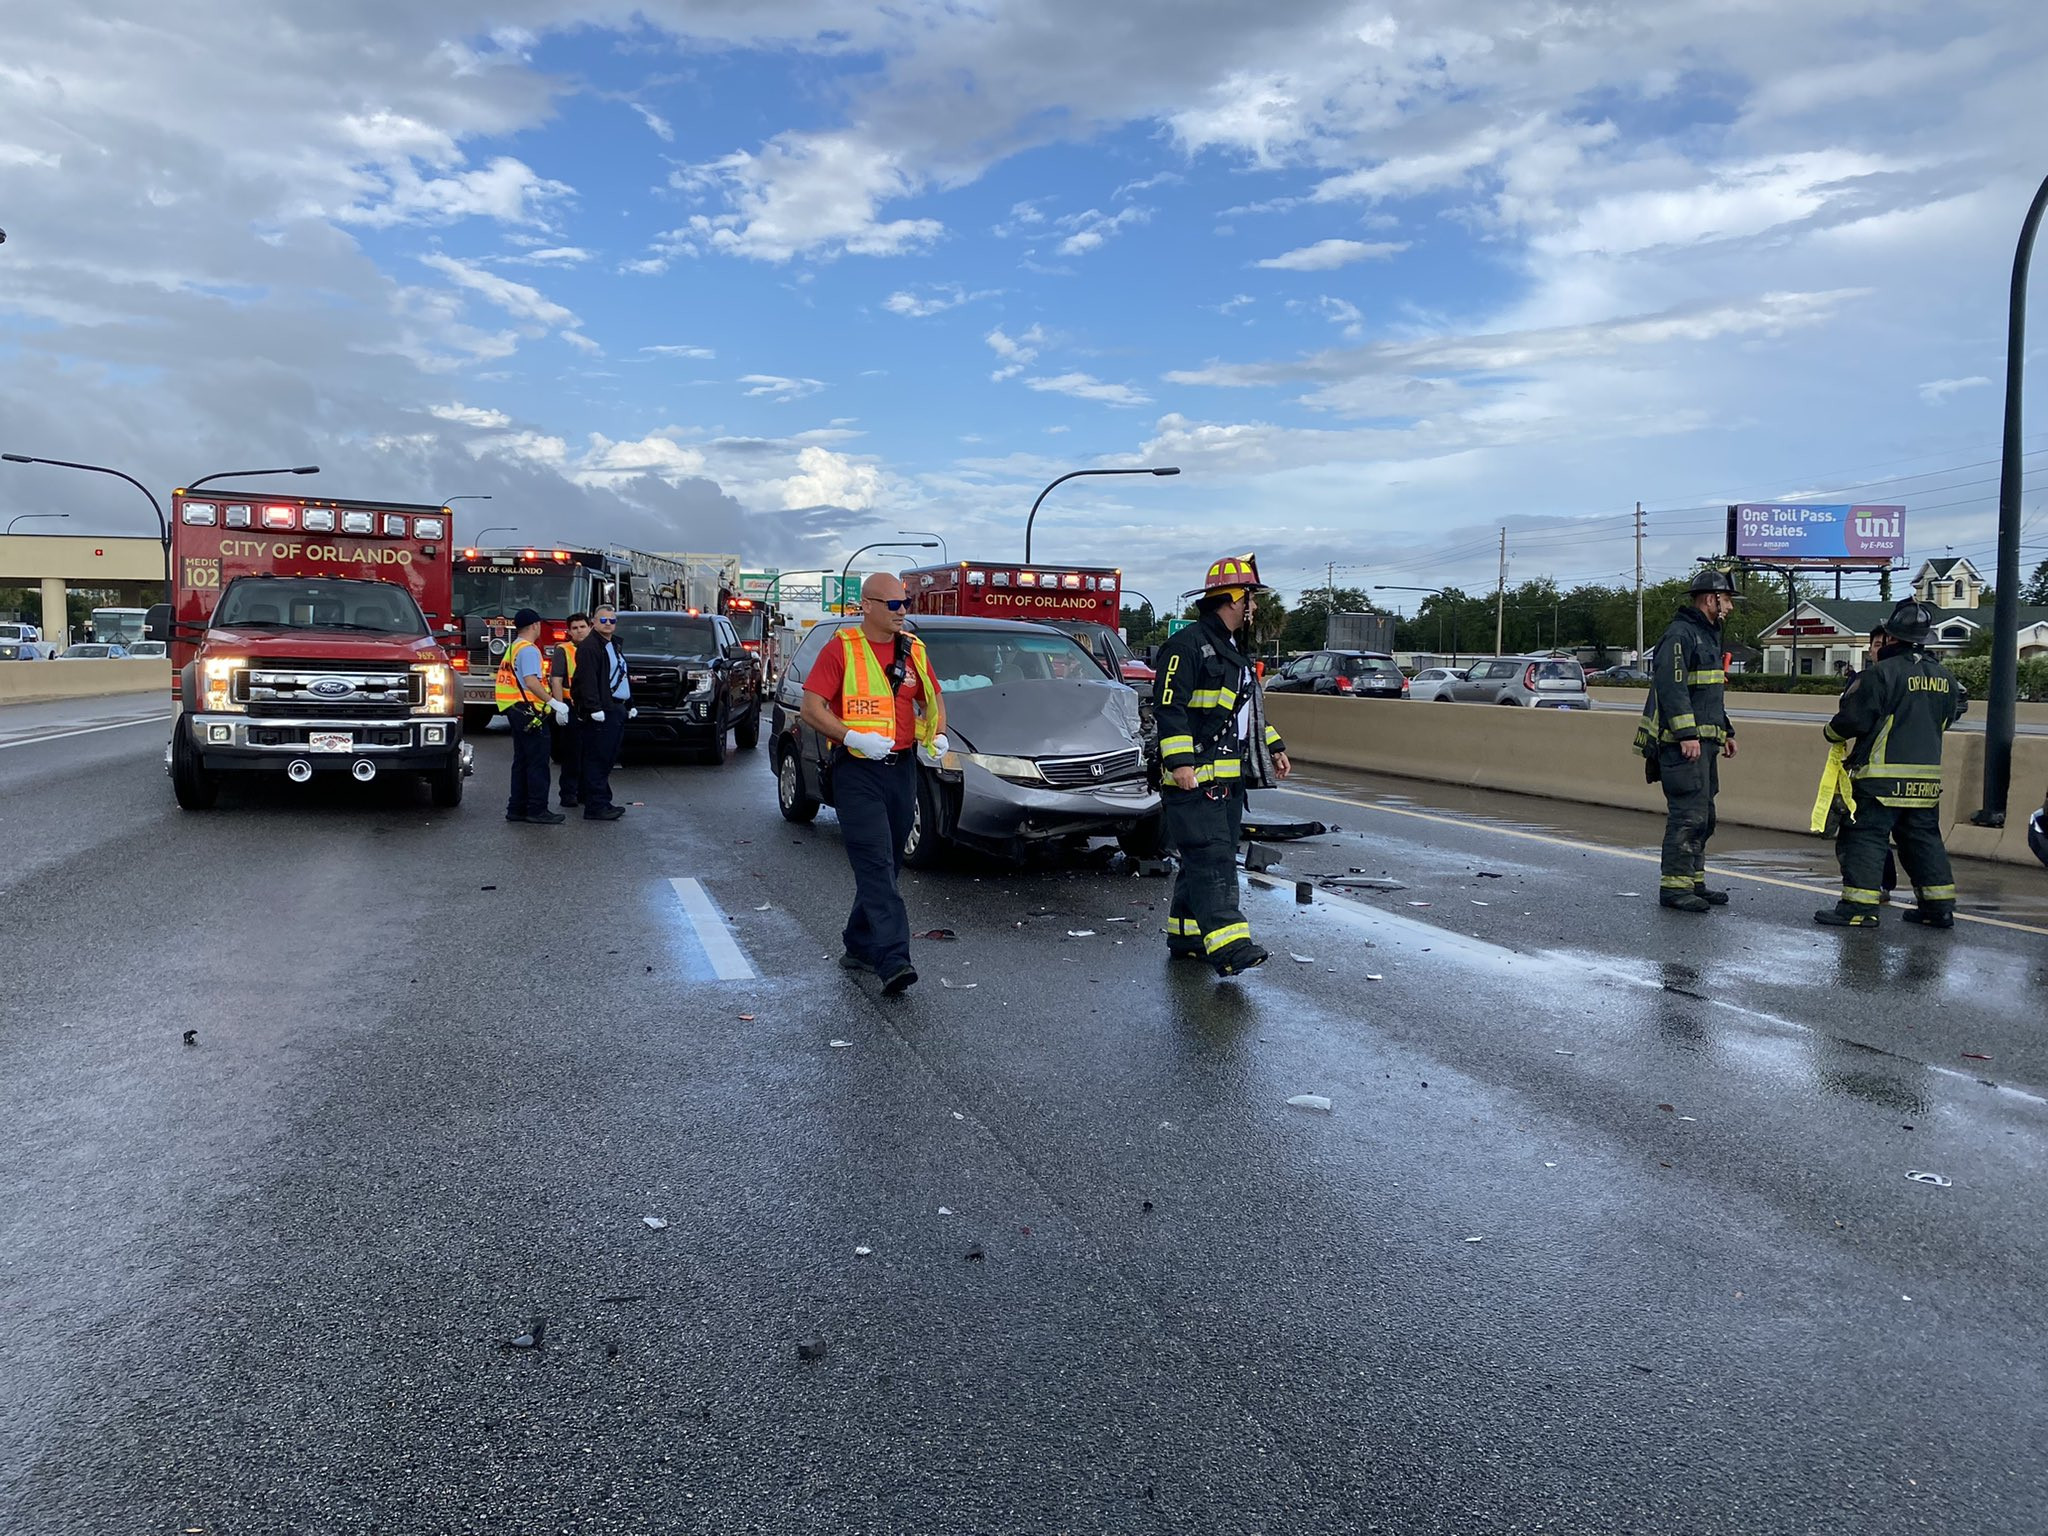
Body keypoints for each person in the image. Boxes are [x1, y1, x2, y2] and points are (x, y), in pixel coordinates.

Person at [799, 572, 948, 995]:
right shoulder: (841, 649)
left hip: (901, 768)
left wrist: (937, 733)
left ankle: (859, 944)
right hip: (857, 769)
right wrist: (851, 736)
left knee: (890, 861)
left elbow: (933, 697)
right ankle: (894, 960)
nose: (902, 612)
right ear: (867, 605)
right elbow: (812, 707)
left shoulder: (913, 649)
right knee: (875, 862)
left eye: (905, 604)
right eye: (893, 605)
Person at [1151, 553, 1291, 977]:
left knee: (1204, 858)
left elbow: (1245, 713)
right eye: (1251, 598)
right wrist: (1180, 763)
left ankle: (1186, 936)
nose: (1255, 607)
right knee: (1213, 860)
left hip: (1227, 782)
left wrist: (1274, 745)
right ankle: (1231, 948)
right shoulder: (1185, 647)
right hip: (1195, 780)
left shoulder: (1233, 650)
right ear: (1233, 600)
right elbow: (1169, 708)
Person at [1815, 600, 1966, 928]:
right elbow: (1948, 718)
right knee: (1923, 841)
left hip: (1880, 780)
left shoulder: (1881, 674)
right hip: (1925, 783)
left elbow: (1853, 720)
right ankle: (1938, 908)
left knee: (1864, 838)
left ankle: (1858, 908)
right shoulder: (1945, 678)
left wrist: (1830, 732)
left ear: (1892, 637)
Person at [1635, 568, 1739, 912]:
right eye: (1727, 600)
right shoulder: (1680, 635)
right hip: (1683, 747)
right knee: (1688, 817)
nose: (1730, 608)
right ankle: (1674, 888)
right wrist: (1686, 734)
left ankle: (1694, 882)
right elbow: (1673, 689)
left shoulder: (1707, 635)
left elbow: (1709, 693)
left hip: (1705, 744)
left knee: (1704, 816)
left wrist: (1726, 731)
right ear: (1710, 599)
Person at [495, 607, 568, 825]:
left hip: (515, 708)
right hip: (529, 710)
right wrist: (553, 702)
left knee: (522, 761)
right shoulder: (529, 650)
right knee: (537, 762)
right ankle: (537, 809)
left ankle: (516, 808)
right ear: (535, 625)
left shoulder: (514, 647)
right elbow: (531, 681)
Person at [569, 605, 634, 822]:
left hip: (615, 707)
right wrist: (594, 708)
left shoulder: (612, 644)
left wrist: (630, 703)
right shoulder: (590, 647)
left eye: (612, 620)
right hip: (603, 710)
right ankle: (596, 806)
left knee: (608, 757)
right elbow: (587, 680)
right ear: (593, 623)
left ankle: (603, 801)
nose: (608, 624)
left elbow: (621, 675)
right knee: (597, 758)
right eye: (603, 620)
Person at [550, 612, 591, 809]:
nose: (579, 631)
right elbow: (556, 680)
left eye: (582, 627)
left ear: (589, 627)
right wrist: (560, 707)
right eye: (575, 628)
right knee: (572, 754)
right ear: (569, 632)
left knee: (590, 753)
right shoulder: (563, 650)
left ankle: (585, 793)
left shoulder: (597, 648)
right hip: (571, 706)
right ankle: (568, 794)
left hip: (591, 707)